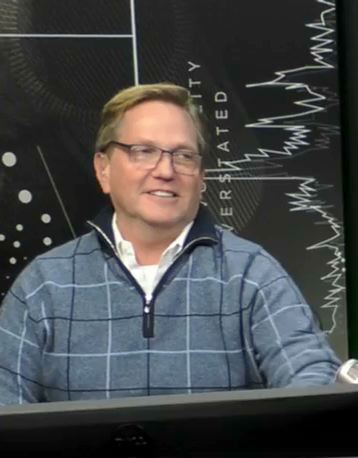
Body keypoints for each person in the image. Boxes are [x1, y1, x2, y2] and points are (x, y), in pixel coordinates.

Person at [0, 83, 338, 404]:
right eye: (143, 151)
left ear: (201, 177)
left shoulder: (250, 273)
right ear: (103, 170)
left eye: (184, 156)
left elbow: (312, 377)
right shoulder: (44, 284)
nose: (165, 170)